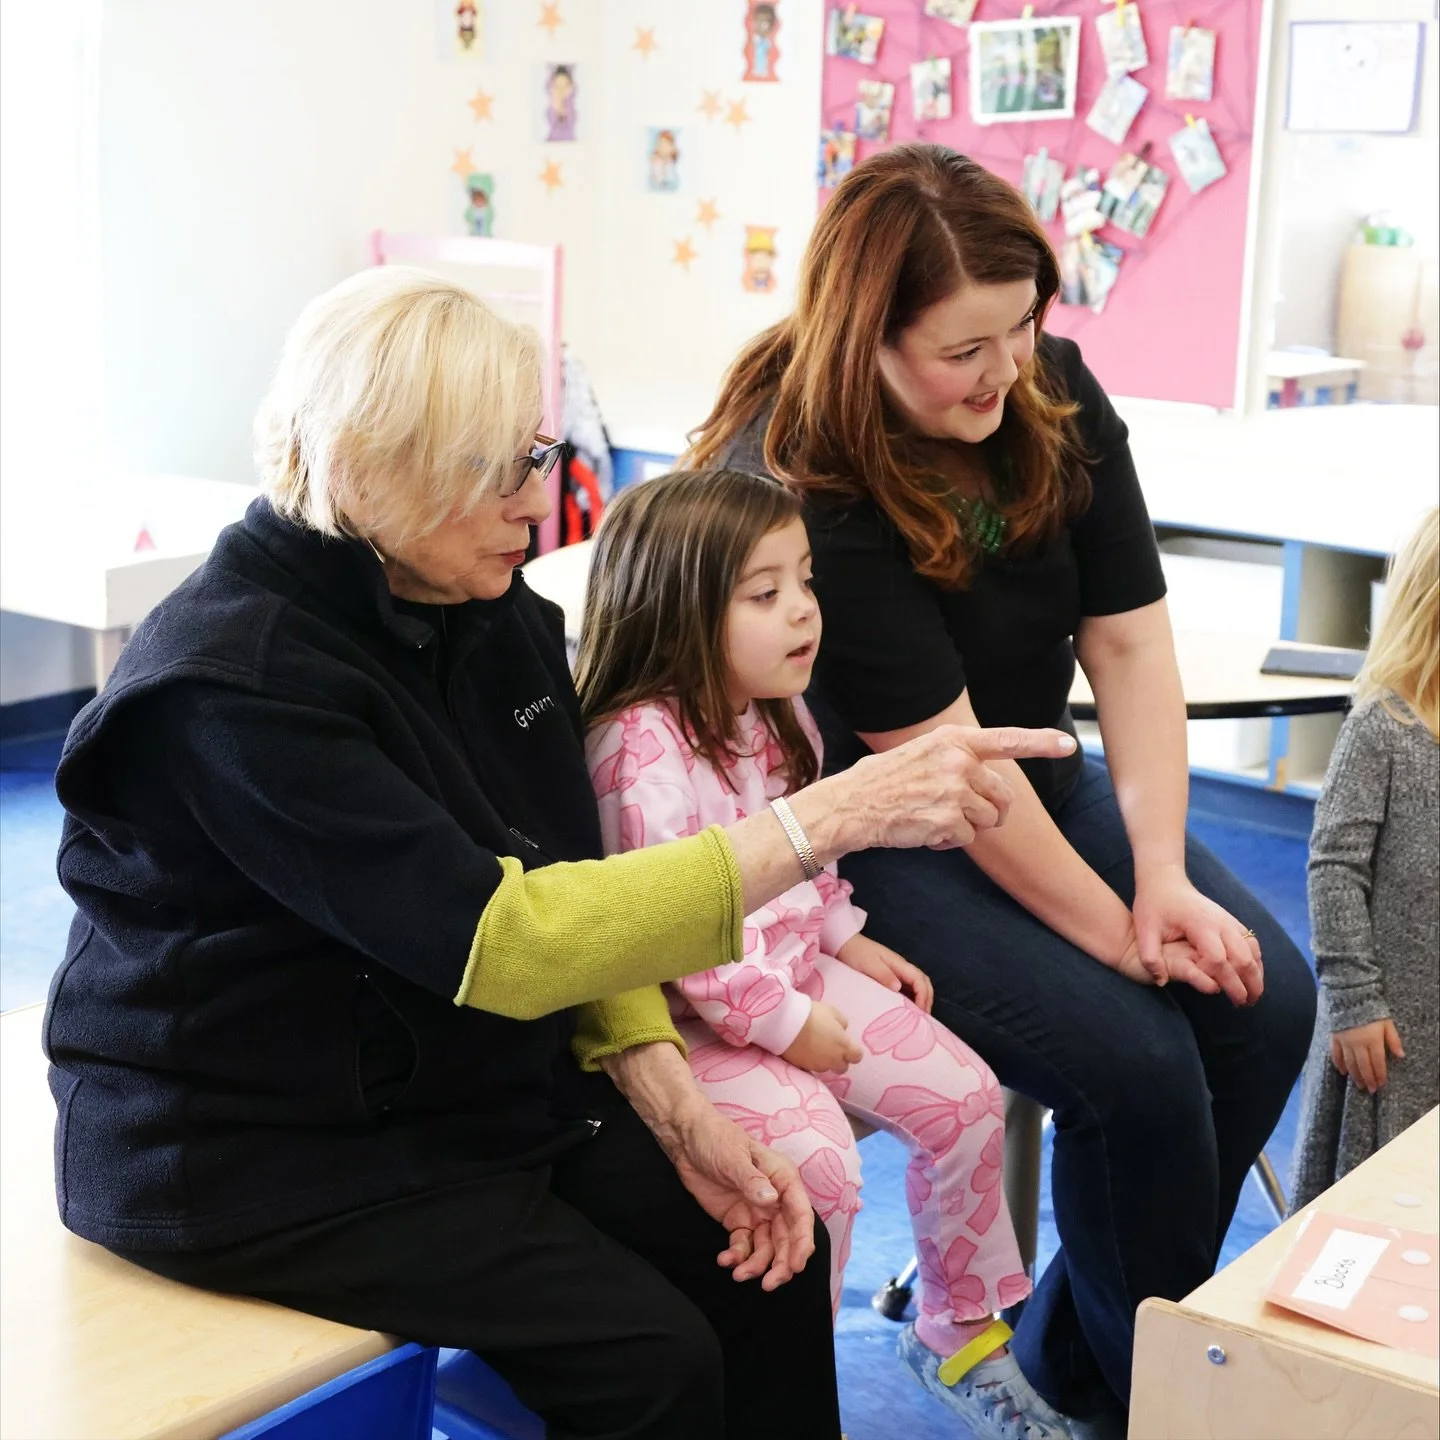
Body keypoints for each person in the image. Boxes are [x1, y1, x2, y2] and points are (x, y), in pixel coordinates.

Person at [42, 264, 1077, 1440]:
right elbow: (510, 940)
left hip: (463, 1084)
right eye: (501, 475)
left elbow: (572, 884)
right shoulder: (240, 689)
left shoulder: (487, 614)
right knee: (655, 1362)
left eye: (537, 458)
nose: (540, 507)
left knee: (771, 1249)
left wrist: (671, 1095)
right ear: (365, 470)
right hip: (258, 1147)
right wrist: (823, 820)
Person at [686, 144, 1317, 1433]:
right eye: (964, 349)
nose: (1007, 369)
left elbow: (1131, 642)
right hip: (879, 827)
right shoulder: (806, 476)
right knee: (1137, 1069)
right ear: (868, 336)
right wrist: (1124, 939)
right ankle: (1165, 1407)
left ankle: (1073, 1363)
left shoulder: (1053, 390)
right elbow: (947, 771)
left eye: (1024, 327)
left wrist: (1154, 879)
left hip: (1031, 765)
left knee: (1266, 997)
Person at [578, 469, 1069, 1440]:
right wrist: (794, 1027)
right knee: (823, 1171)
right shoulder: (634, 749)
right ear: (676, 606)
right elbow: (675, 939)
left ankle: (958, 1328)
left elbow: (810, 856)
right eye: (765, 594)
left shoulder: (772, 711)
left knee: (967, 1096)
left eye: (804, 582)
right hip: (697, 1020)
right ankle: (788, 1391)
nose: (804, 612)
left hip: (798, 976)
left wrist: (850, 939)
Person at [1291, 507, 1439, 1210]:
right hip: (1390, 1034)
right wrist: (1354, 1000)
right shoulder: (1385, 726)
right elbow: (1334, 867)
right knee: (1364, 1210)